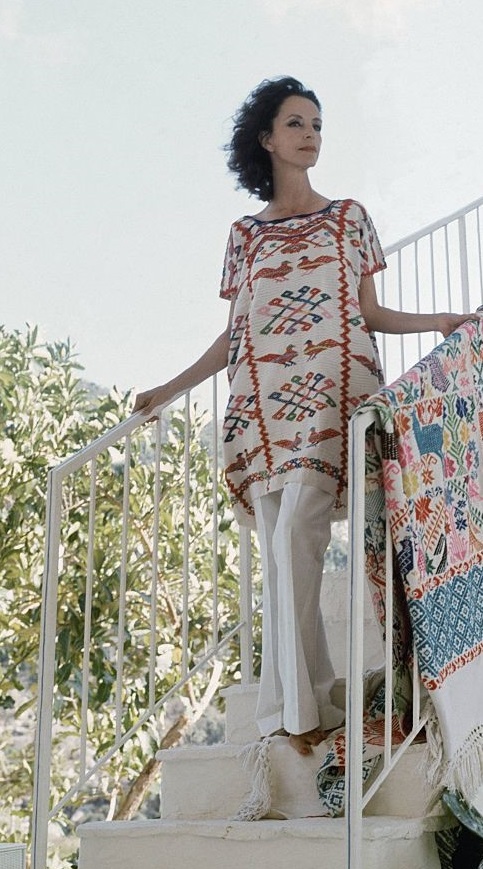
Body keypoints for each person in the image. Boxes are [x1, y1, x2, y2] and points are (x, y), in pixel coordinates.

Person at [133, 76, 470, 756]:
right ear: (266, 140)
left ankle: (293, 715)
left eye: (316, 123)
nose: (310, 133)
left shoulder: (348, 217)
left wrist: (436, 320)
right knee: (285, 550)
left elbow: (368, 312)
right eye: (295, 123)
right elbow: (237, 331)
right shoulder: (244, 235)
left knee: (292, 538)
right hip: (263, 406)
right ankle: (309, 698)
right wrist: (169, 387)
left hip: (335, 396)